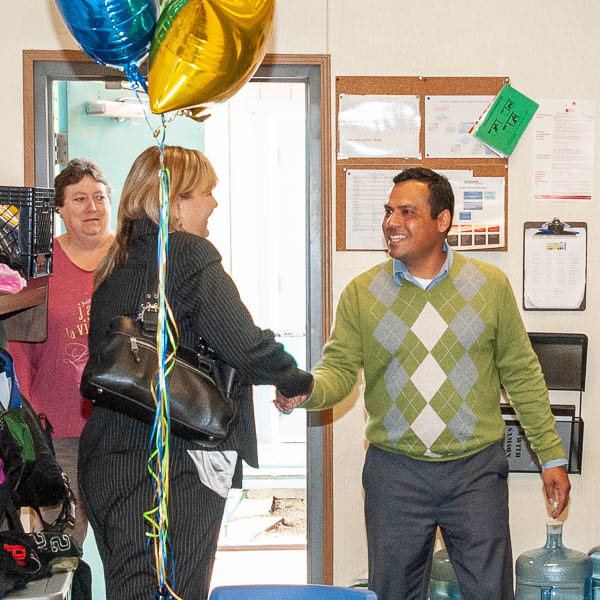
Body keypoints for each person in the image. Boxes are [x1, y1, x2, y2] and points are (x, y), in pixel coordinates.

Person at [275, 167, 570, 600]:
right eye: (389, 212)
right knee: (392, 593)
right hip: (395, 473)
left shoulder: (490, 287)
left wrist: (550, 457)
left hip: (476, 471)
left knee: (490, 592)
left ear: (443, 221)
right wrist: (309, 390)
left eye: (407, 212)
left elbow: (522, 374)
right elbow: (338, 370)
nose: (392, 222)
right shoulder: (361, 292)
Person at [78, 145, 313, 600]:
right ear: (175, 201)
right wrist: (293, 377)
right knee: (174, 592)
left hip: (107, 459)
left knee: (132, 590)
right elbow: (242, 344)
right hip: (173, 464)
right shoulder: (186, 252)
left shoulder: (115, 261)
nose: (215, 203)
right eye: (207, 191)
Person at [7, 158, 114, 545]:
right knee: (61, 547)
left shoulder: (132, 261)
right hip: (58, 432)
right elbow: (18, 343)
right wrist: (28, 416)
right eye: (80, 199)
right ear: (59, 208)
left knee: (128, 546)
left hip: (120, 430)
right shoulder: (40, 265)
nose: (92, 208)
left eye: (100, 197)